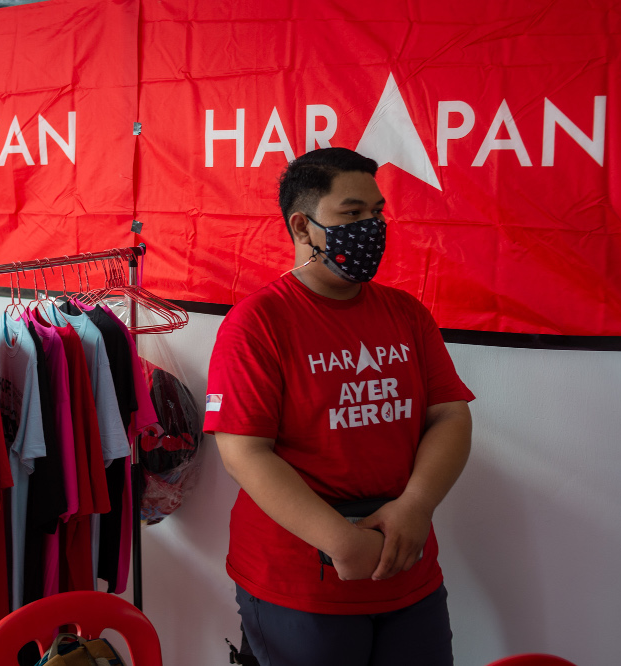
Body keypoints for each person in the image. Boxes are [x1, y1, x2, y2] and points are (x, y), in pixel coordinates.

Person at [205, 147, 475, 666]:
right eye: (352, 215)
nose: (371, 227)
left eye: (376, 214)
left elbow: (449, 414)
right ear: (303, 227)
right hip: (302, 583)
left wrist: (416, 506)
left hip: (406, 569)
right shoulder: (258, 322)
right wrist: (338, 540)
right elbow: (244, 451)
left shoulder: (405, 313)